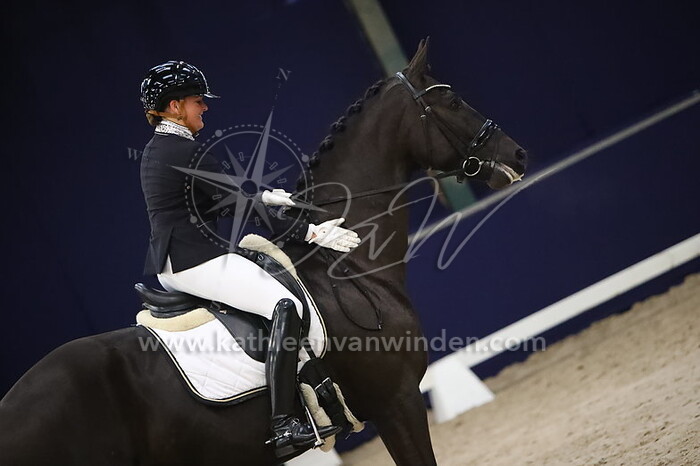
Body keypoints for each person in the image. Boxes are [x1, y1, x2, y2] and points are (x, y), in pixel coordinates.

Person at [139, 60, 360, 453]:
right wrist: (310, 232)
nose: (204, 107)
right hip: (194, 260)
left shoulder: (162, 147)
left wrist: (268, 196)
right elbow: (234, 202)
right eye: (196, 100)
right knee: (285, 304)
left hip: (177, 260)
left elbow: (221, 197)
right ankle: (284, 423)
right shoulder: (182, 149)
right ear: (174, 106)